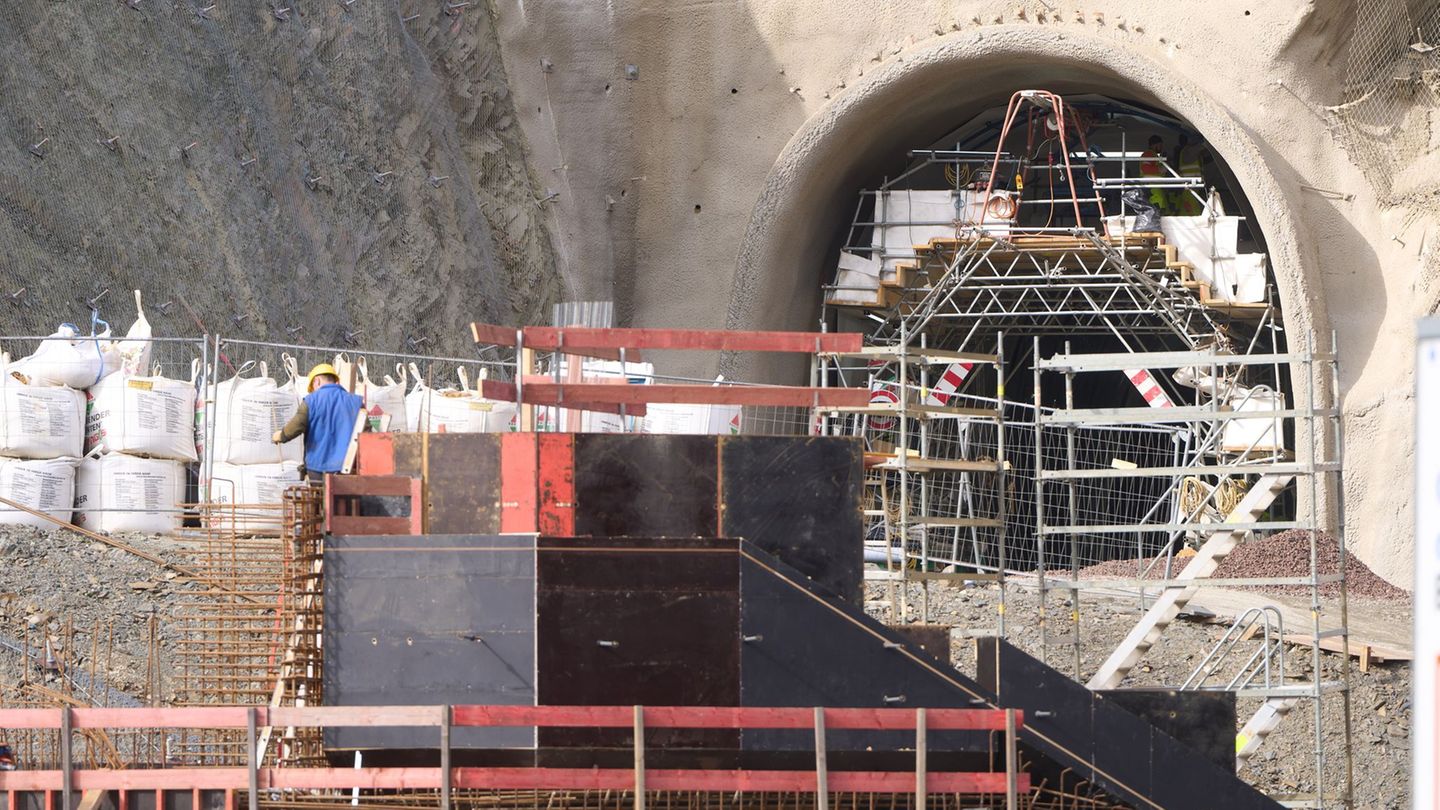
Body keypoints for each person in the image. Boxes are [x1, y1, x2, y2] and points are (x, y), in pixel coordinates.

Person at [272, 363, 365, 485]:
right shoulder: (356, 402)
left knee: (320, 501)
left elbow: (297, 425)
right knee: (347, 503)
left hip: (318, 468)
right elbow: (367, 433)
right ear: (335, 381)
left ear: (317, 381)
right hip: (349, 468)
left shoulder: (311, 401)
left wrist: (281, 435)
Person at [1139, 134, 1170, 214]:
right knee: (1156, 212)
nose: (1161, 147)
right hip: (1151, 188)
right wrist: (1161, 169)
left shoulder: (1154, 155)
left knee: (1159, 211)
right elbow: (1145, 168)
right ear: (1155, 145)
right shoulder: (1149, 154)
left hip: (1155, 187)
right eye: (1160, 145)